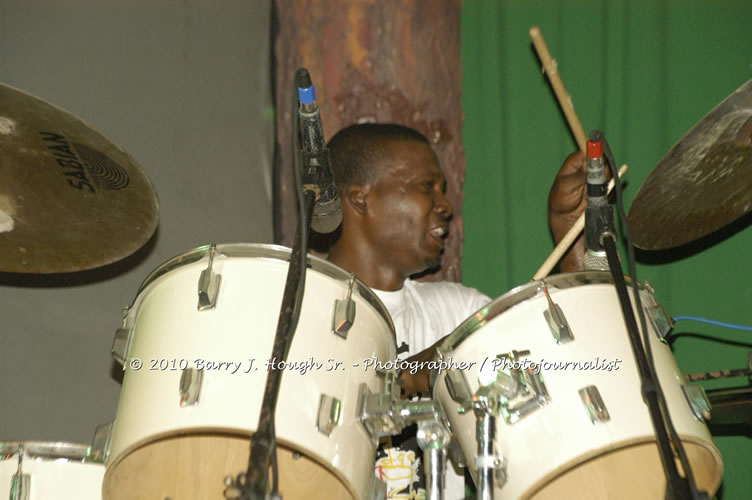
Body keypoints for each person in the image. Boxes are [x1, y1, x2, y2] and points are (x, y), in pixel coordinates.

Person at [326, 123, 585, 499]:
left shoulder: (458, 312)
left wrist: (572, 240)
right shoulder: (296, 311)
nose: (445, 206)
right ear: (361, 198)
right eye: (425, 186)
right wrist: (410, 376)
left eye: (442, 189)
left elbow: (572, 361)